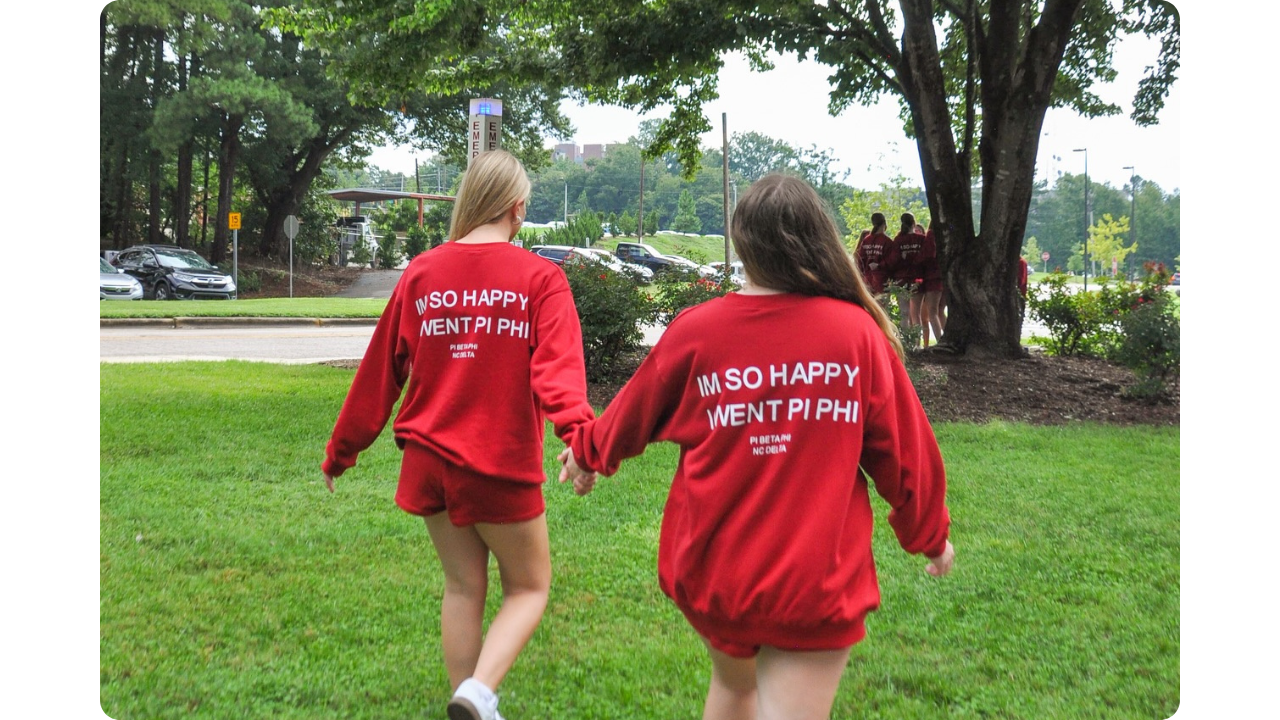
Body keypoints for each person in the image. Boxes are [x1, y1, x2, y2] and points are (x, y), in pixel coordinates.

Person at [560, 174, 955, 720]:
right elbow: (905, 453)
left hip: (717, 577)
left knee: (737, 693)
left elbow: (632, 410)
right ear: (818, 238)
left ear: (742, 241)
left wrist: (588, 453)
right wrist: (929, 535)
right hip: (812, 583)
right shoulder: (855, 334)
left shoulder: (698, 330)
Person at [320, 149, 596, 720]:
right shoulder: (541, 278)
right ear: (517, 208)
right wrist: (579, 437)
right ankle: (479, 693)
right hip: (496, 462)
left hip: (427, 462)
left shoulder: (422, 272)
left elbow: (379, 373)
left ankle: (468, 702)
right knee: (529, 587)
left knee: (463, 588)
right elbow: (557, 373)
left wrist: (341, 450)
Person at [888, 213, 930, 345]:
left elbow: (893, 261)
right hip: (918, 279)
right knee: (916, 314)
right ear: (914, 223)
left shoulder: (898, 240)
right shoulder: (922, 239)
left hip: (901, 279)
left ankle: (905, 343)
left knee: (904, 313)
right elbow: (926, 258)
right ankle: (917, 344)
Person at [854, 213, 894, 298]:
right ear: (884, 223)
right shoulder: (887, 241)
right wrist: (879, 265)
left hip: (867, 279)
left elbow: (860, 260)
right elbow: (891, 261)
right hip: (882, 279)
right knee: (881, 308)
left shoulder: (866, 240)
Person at [920, 222, 945, 347]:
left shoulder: (931, 234)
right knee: (940, 310)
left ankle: (940, 341)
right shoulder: (947, 234)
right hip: (945, 276)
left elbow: (929, 254)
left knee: (932, 311)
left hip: (933, 276)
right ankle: (948, 337)